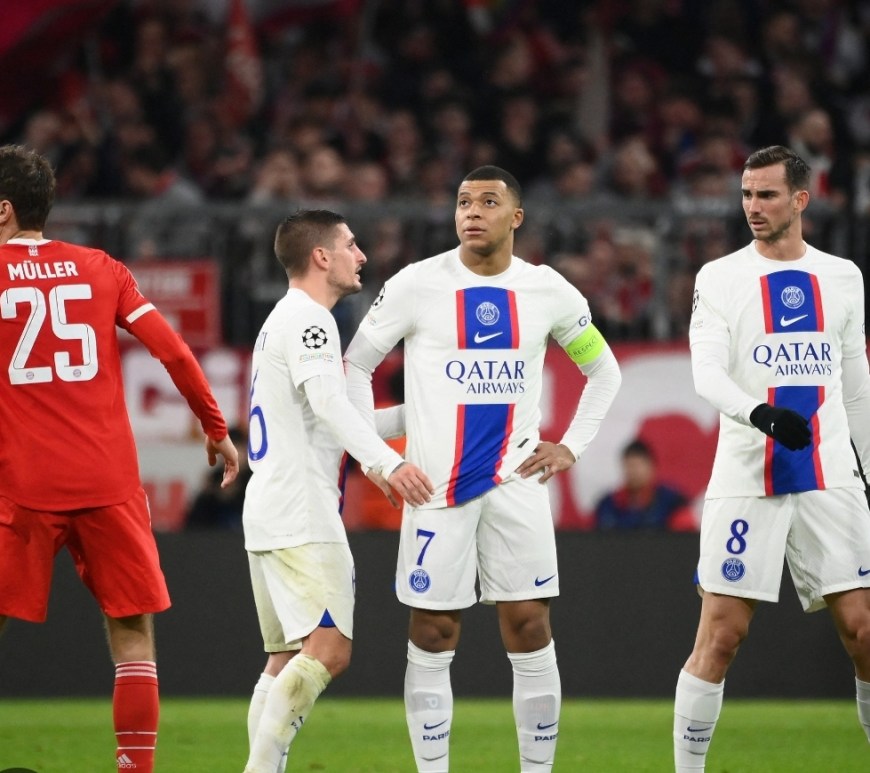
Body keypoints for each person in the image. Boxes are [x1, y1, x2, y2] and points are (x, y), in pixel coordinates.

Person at [343, 165, 623, 772]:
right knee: (433, 631)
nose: (472, 211)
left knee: (529, 626)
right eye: (463, 201)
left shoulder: (548, 291)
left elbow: (603, 372)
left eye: (488, 201)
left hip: (516, 484)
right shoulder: (417, 284)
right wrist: (379, 460)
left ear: (516, 217)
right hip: (434, 487)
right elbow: (356, 367)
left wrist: (571, 446)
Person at [0, 144, 239, 773]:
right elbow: (175, 352)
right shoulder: (101, 268)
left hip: (21, 483)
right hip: (106, 480)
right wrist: (214, 426)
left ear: (3, 210)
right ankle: (135, 768)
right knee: (132, 633)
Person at [675, 144, 870, 771]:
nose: (752, 207)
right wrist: (760, 414)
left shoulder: (843, 276)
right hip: (746, 474)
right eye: (746, 195)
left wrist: (869, 469)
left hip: (829, 474)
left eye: (766, 195)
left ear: (800, 200)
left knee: (865, 632)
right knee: (721, 635)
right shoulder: (719, 277)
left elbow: (855, 386)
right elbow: (706, 374)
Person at [241, 209, 433, 773]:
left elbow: (339, 417)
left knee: (283, 659)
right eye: (350, 244)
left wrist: (428, 412)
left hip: (270, 508)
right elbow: (329, 405)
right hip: (302, 512)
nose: (361, 255)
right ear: (321, 256)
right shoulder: (311, 319)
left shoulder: (281, 319)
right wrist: (385, 465)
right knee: (328, 651)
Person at [594, 438, 695, 531]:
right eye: (629, 466)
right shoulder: (607, 505)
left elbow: (685, 537)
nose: (633, 471)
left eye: (638, 466)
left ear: (652, 467)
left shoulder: (673, 503)